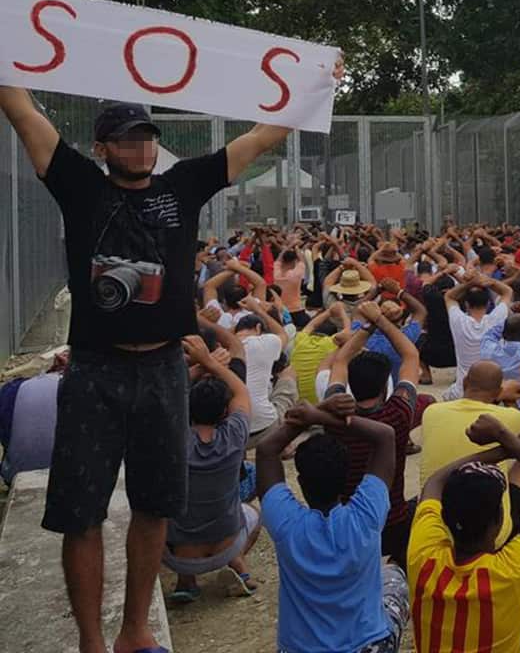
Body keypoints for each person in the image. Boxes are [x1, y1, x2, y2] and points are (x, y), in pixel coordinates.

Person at [3, 68, 339, 653]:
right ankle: (91, 640)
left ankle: (134, 631)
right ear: (103, 148)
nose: (141, 146)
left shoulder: (181, 186)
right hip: (95, 369)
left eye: (147, 136)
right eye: (128, 138)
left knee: (154, 505)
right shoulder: (80, 184)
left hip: (165, 368)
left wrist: (314, 87)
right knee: (80, 512)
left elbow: (262, 137)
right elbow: (23, 112)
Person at [256, 396, 410, 653]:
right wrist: (319, 417)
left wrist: (307, 417)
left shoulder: (286, 524)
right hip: (368, 644)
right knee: (394, 577)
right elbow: (385, 436)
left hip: (300, 648)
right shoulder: (366, 516)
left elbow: (266, 450)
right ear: (347, 476)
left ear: (301, 483)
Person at [407, 413, 520, 653]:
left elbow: (435, 481)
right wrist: (506, 440)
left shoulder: (422, 555)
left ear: (445, 517)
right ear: (498, 521)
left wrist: (505, 448)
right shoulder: (513, 569)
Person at [323, 300, 420, 569]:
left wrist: (367, 325)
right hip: (393, 520)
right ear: (384, 386)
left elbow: (341, 359)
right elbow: (411, 356)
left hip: (349, 520)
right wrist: (381, 321)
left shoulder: (333, 414)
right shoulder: (398, 413)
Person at [164, 335, 262, 604]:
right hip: (225, 547)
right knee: (253, 512)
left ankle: (186, 582)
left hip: (178, 557)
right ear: (224, 414)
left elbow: (163, 398)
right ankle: (239, 566)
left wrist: (195, 367)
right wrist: (211, 362)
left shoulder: (173, 441)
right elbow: (240, 391)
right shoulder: (234, 435)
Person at [417, 361, 520, 542]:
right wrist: (506, 398)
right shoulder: (512, 418)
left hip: (432, 526)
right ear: (497, 392)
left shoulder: (431, 412)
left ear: (464, 383)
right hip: (491, 533)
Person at [234, 299, 294, 448]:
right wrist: (259, 310)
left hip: (233, 431)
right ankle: (285, 441)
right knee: (289, 371)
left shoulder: (222, 348)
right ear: (259, 328)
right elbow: (282, 333)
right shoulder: (265, 342)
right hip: (266, 427)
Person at [443, 274, 513, 400]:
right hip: (491, 394)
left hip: (462, 392)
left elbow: (449, 296)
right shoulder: (496, 318)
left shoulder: (459, 320)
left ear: (466, 304)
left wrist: (470, 283)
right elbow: (507, 292)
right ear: (487, 304)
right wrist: (489, 281)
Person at [355, 281, 427, 384]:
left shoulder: (361, 336)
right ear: (402, 319)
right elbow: (420, 311)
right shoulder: (407, 337)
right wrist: (398, 292)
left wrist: (378, 290)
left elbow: (358, 310)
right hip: (396, 393)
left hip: (365, 391)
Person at [290, 303, 350, 404]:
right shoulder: (329, 344)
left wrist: (329, 312)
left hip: (296, 401)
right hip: (319, 402)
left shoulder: (301, 341)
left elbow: (312, 325)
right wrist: (343, 313)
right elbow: (347, 333)